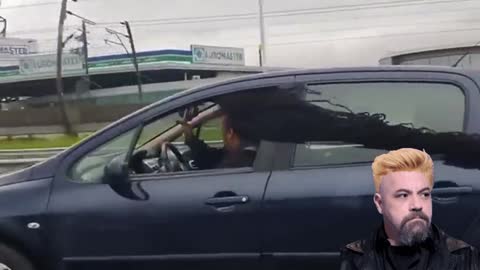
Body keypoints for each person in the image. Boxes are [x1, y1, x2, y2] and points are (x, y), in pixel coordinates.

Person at [340, 148, 479, 270]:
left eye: (424, 194)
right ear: (380, 203)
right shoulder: (357, 257)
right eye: (403, 195)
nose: (417, 205)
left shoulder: (461, 256)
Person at [179, 113, 257, 170]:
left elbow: (209, 158)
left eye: (222, 129)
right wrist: (190, 137)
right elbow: (209, 154)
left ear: (230, 133)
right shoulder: (252, 155)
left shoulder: (234, 162)